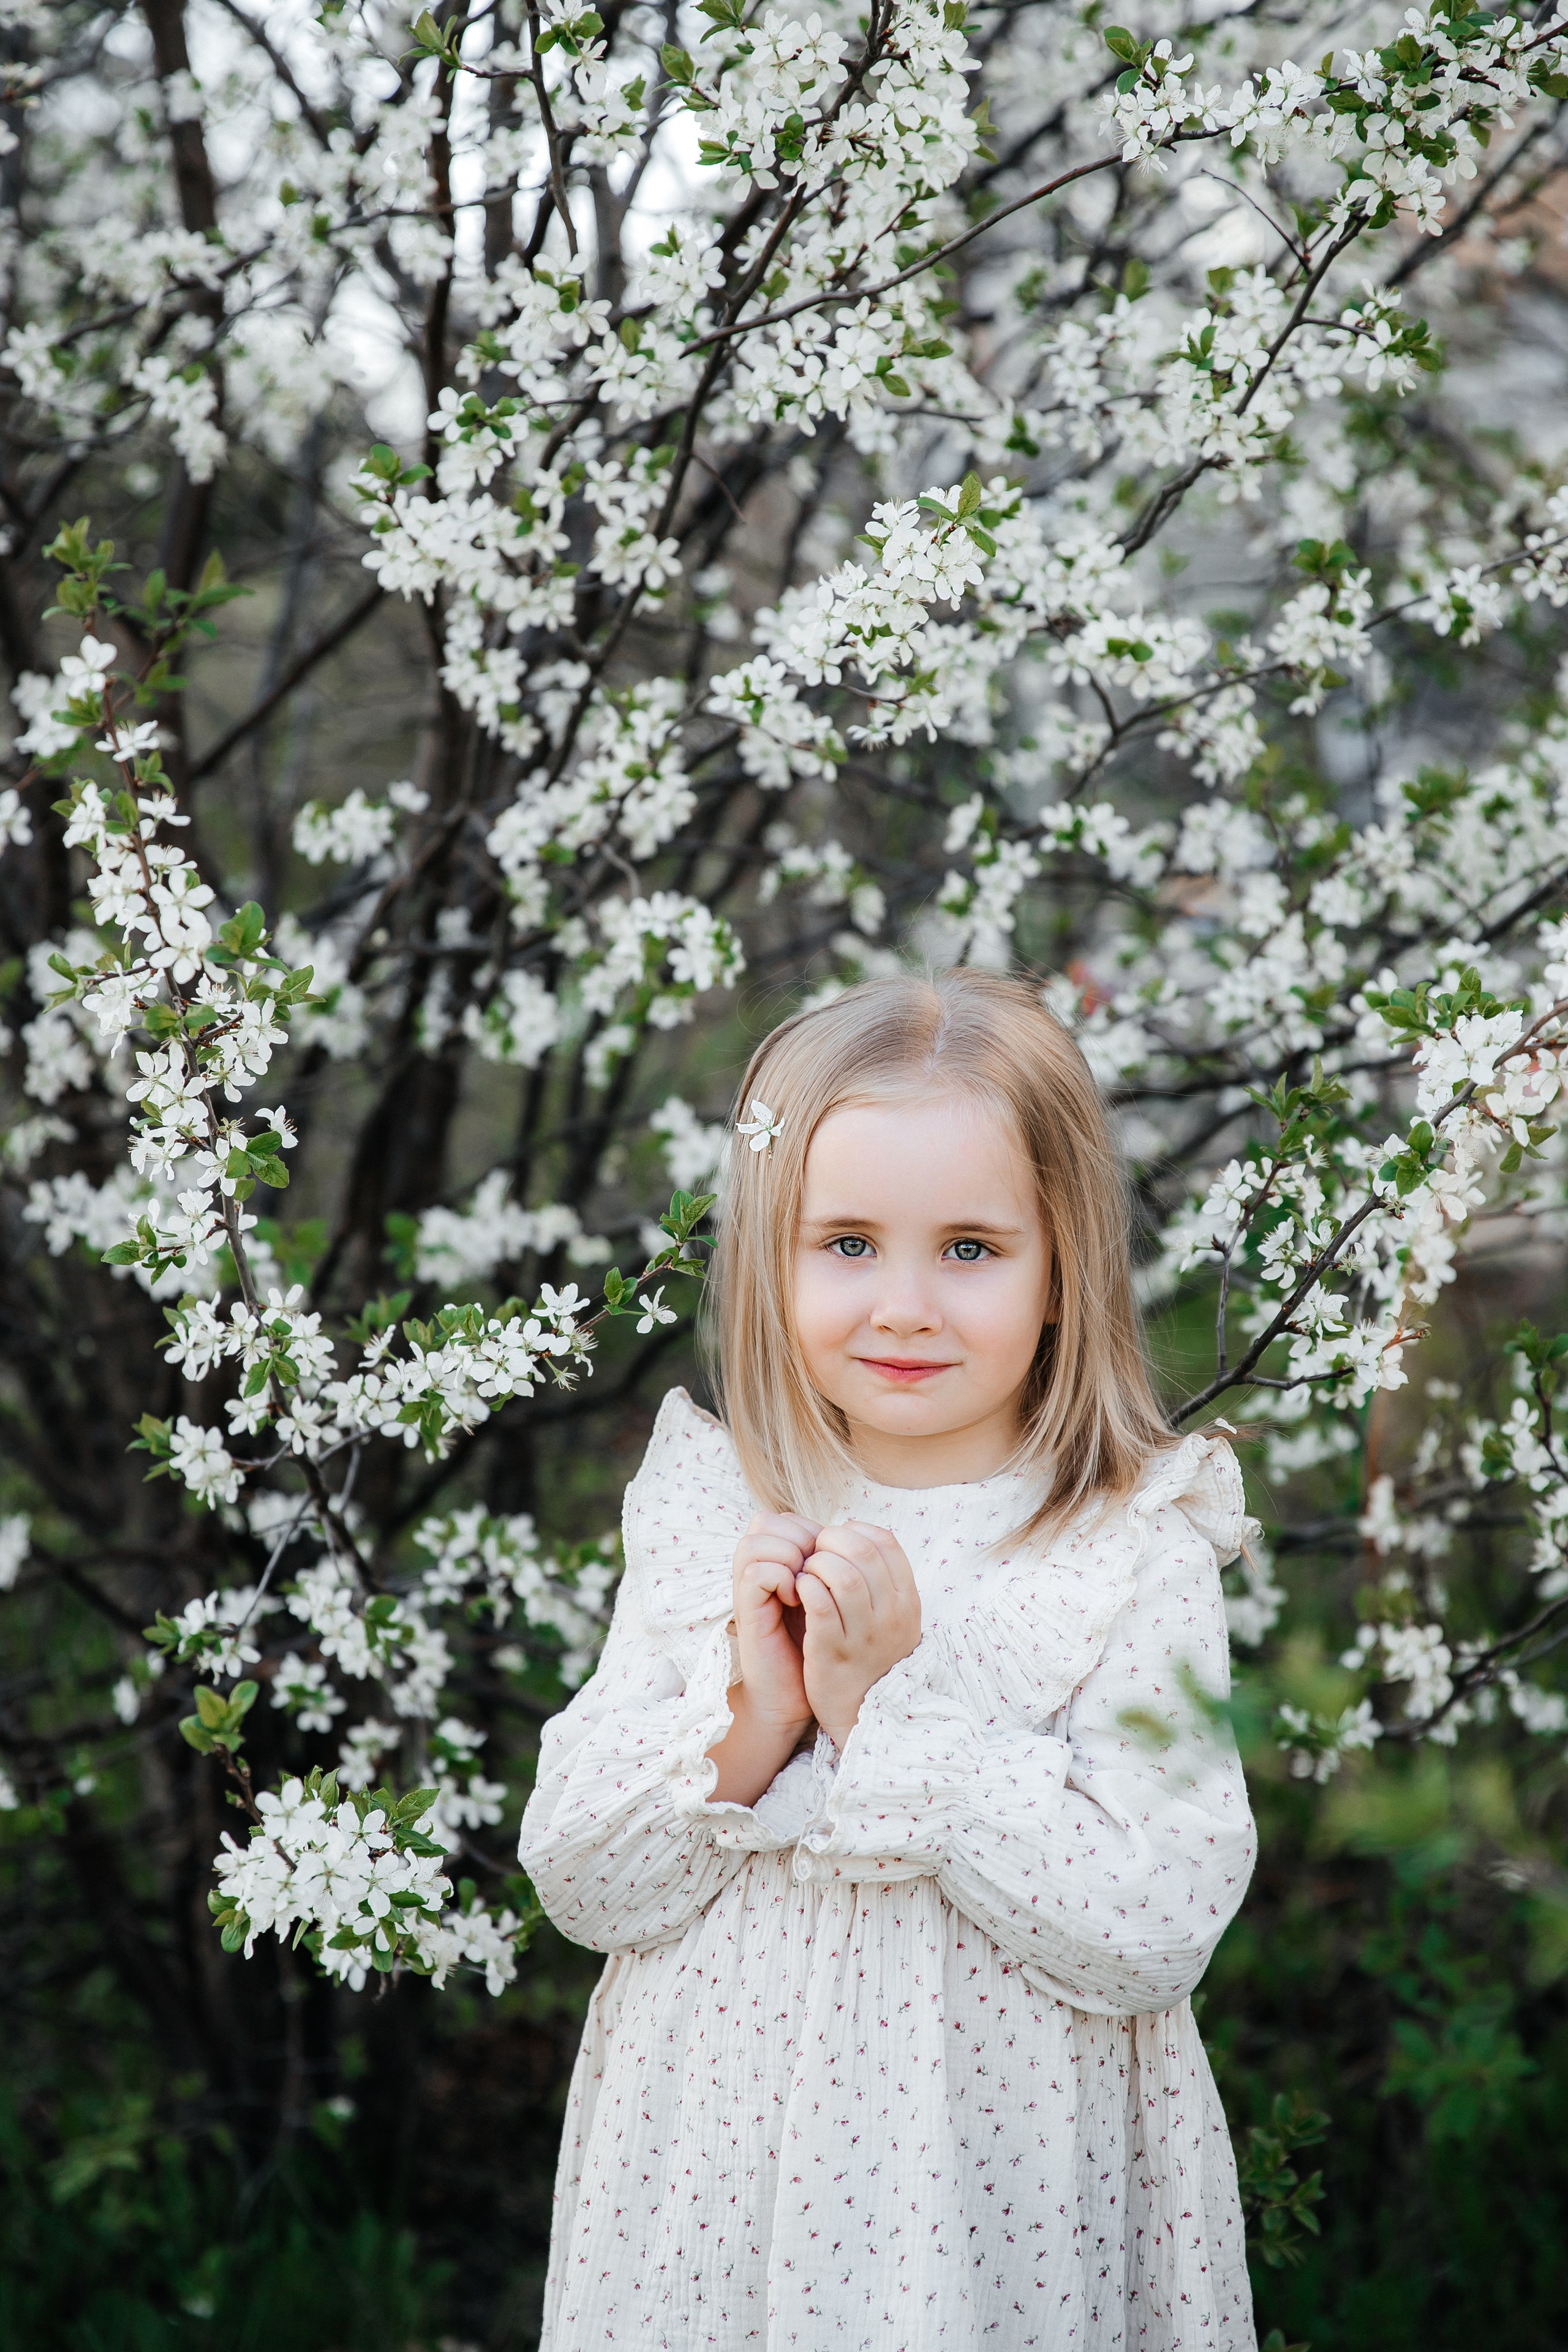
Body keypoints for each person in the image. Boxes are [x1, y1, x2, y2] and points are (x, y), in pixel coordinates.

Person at [518, 968, 1259, 2351]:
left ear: (1063, 1268)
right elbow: (582, 1880)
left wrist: (883, 1721)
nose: (905, 1305)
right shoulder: (714, 1512)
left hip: (993, 2190)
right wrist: (757, 1718)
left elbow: (1158, 1920)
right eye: (847, 1243)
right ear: (771, 1257)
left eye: (970, 1248)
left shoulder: (1126, 1544)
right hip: (720, 2186)